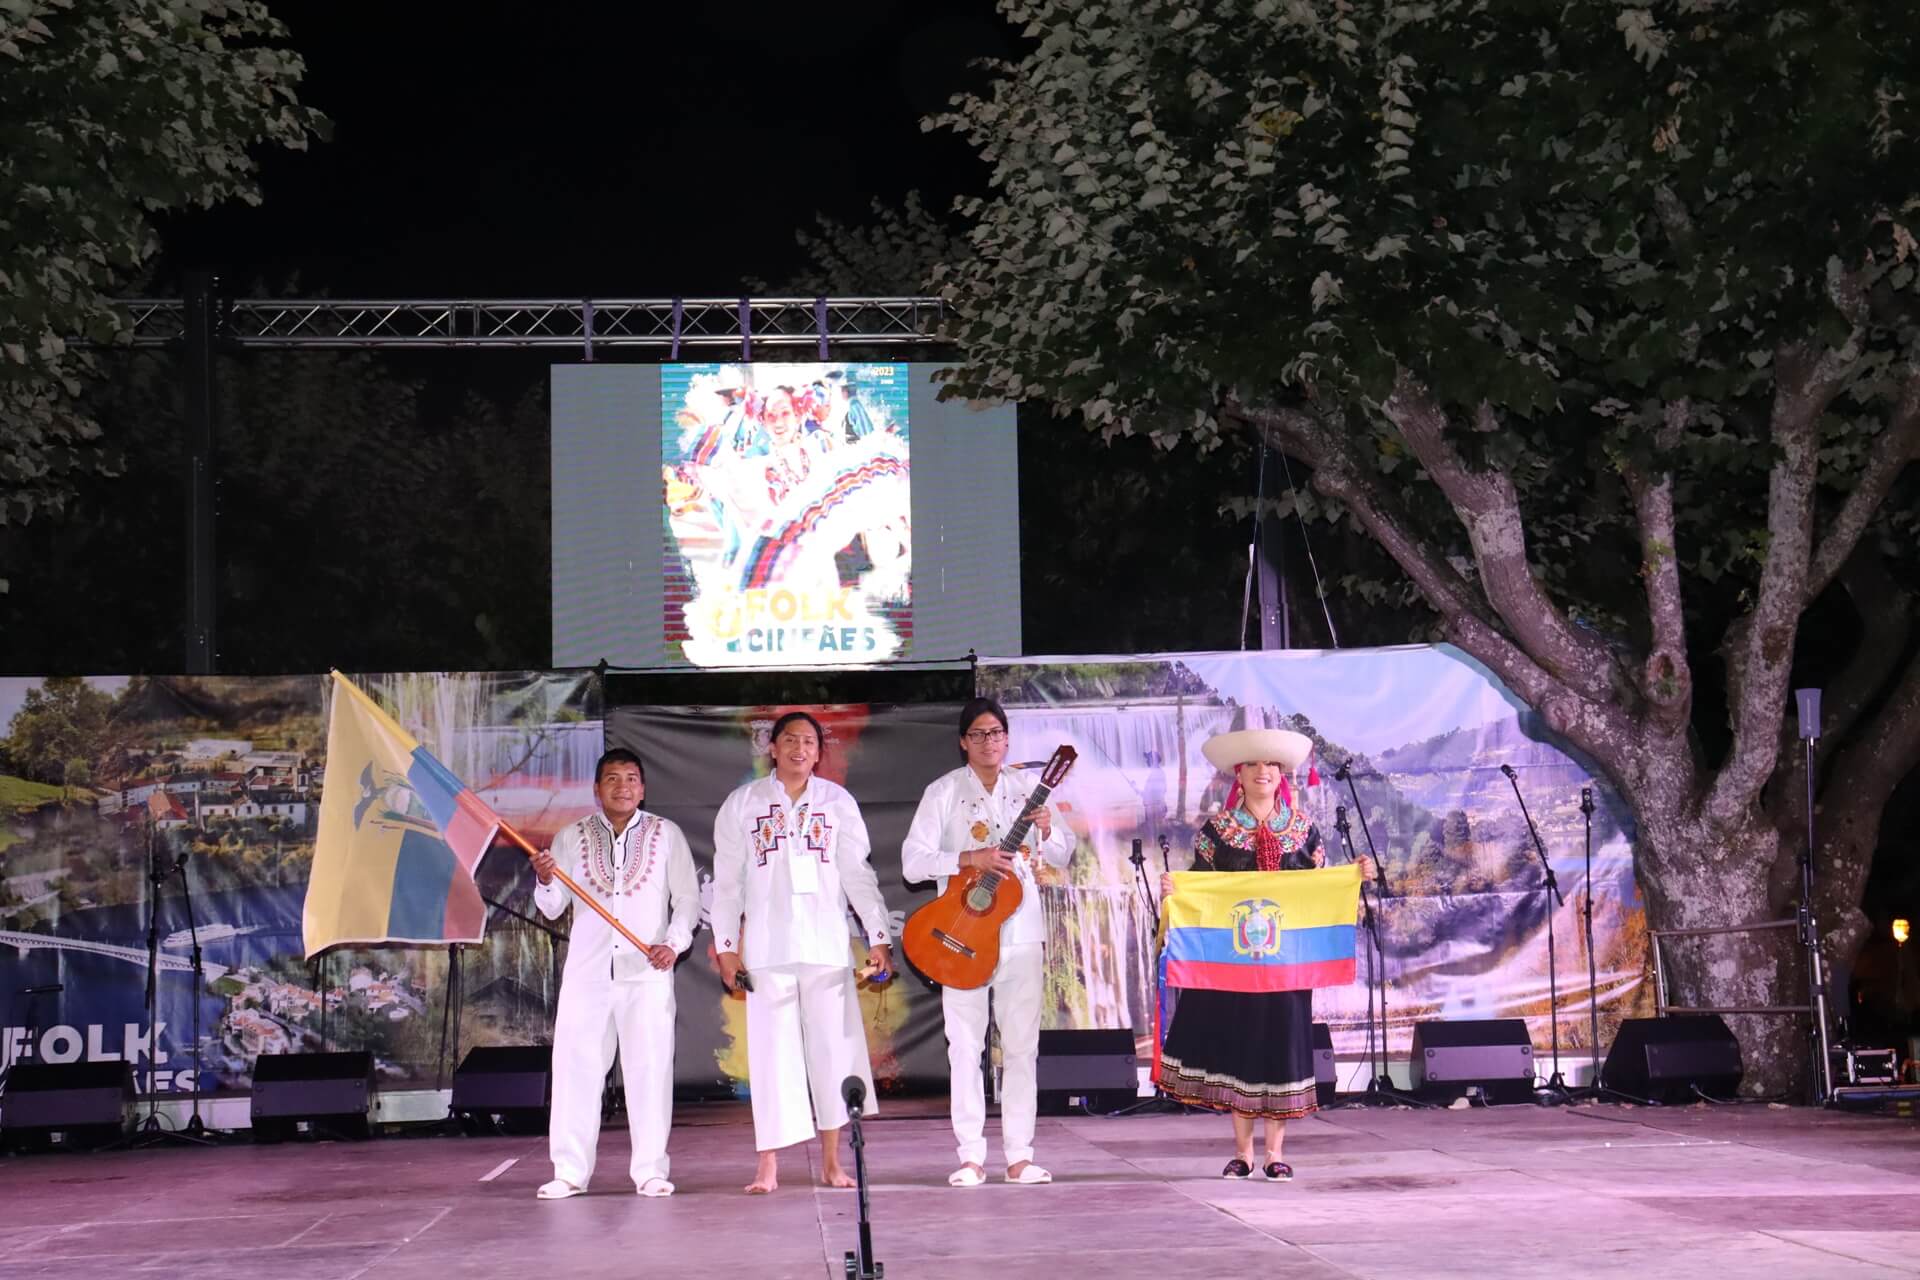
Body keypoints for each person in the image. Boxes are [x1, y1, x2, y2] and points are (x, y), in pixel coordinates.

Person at [1157, 728, 1372, 1182]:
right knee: (1240, 1050)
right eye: (1253, 764)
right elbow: (1202, 888)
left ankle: (1275, 1153)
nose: (1262, 772)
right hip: (1234, 962)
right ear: (1239, 774)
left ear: (1281, 774)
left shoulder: (1302, 830)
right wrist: (1177, 889)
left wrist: (1353, 876)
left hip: (1286, 964)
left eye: (1271, 764)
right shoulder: (1217, 832)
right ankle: (1243, 1153)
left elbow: (1318, 888)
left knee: (1281, 1048)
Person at [711, 710, 895, 1194]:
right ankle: (767, 1165)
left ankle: (833, 1162)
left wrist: (878, 936)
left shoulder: (837, 802)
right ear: (772, 748)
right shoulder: (743, 803)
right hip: (767, 948)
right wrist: (727, 948)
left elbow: (858, 874)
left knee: (833, 1053)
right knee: (771, 1057)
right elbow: (727, 884)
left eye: (809, 742)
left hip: (826, 946)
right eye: (790, 740)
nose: (799, 748)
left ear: (818, 752)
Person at [902, 697, 1074, 1188]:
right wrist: (968, 858)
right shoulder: (942, 792)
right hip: (962, 937)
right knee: (964, 1047)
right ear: (963, 741)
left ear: (1007, 739)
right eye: (978, 734)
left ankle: (1019, 1156)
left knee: (1021, 1048)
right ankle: (970, 1157)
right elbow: (913, 862)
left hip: (1021, 935)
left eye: (996, 733)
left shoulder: (1031, 790)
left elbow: (1062, 853)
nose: (988, 742)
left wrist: (1048, 830)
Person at [530, 748, 699, 1200]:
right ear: (597, 789)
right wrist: (545, 879)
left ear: (642, 789)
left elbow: (687, 899)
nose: (622, 786)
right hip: (587, 974)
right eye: (612, 779)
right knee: (575, 1072)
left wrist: (673, 943)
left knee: (650, 1072)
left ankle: (650, 1172)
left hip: (646, 972)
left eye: (630, 779)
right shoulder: (571, 837)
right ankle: (569, 1172)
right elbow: (552, 907)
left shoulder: (666, 834)